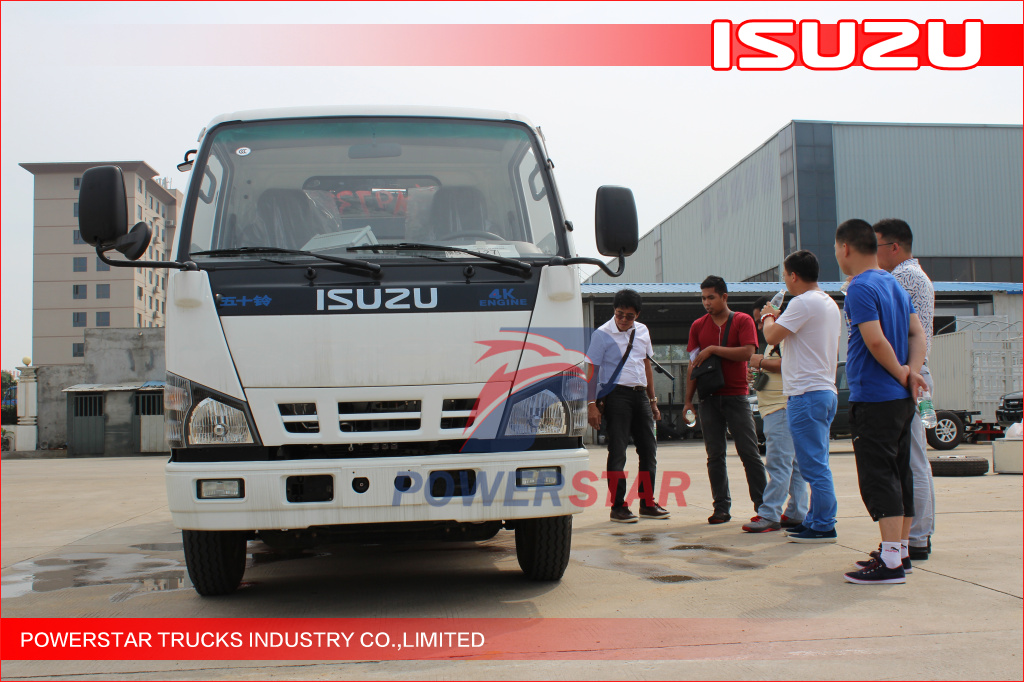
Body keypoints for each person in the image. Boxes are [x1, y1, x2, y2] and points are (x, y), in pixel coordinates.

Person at [833, 219, 927, 584]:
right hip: (902, 399)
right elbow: (917, 332)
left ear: (845, 249)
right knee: (900, 472)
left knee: (879, 477)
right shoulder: (894, 284)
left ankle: (889, 563)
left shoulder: (859, 288)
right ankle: (899, 551)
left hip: (875, 397)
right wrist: (912, 371)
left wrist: (901, 372)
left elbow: (874, 341)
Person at [760, 251, 842, 543]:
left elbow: (771, 336)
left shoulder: (803, 302)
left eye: (784, 275)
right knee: (814, 461)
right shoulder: (827, 303)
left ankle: (823, 524)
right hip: (822, 390)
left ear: (793, 276)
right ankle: (815, 519)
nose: (785, 281)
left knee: (813, 465)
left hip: (806, 394)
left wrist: (768, 315)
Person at [874, 218, 937, 561]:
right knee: (915, 458)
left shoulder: (902, 277)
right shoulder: (915, 276)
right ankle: (918, 535)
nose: (874, 255)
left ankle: (915, 538)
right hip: (913, 370)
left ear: (894, 247)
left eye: (877, 246)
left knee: (910, 460)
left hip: (909, 372)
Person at [684, 276, 766, 524]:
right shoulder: (698, 326)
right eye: (703, 298)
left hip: (737, 395)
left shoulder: (742, 320)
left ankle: (763, 507)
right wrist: (688, 401)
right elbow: (693, 364)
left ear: (724, 297)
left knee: (749, 452)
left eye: (711, 297)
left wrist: (713, 349)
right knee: (715, 455)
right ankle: (721, 507)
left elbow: (749, 352)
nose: (706, 302)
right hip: (709, 399)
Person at [586, 288, 669, 523]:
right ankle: (618, 506)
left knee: (649, 451)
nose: (623, 320)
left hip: (640, 396)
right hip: (616, 398)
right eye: (620, 314)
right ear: (614, 311)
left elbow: (646, 366)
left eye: (629, 316)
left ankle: (648, 503)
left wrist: (653, 402)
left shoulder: (642, 331)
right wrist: (592, 404)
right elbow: (592, 372)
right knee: (618, 452)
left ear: (637, 315)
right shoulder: (602, 334)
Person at [742, 295, 808, 533]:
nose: (761, 326)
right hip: (781, 405)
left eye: (763, 319)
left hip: (780, 407)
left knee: (779, 464)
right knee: (794, 465)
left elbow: (789, 364)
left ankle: (769, 513)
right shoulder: (777, 340)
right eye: (759, 321)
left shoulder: (782, 338)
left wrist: (759, 363)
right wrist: (758, 370)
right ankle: (796, 512)